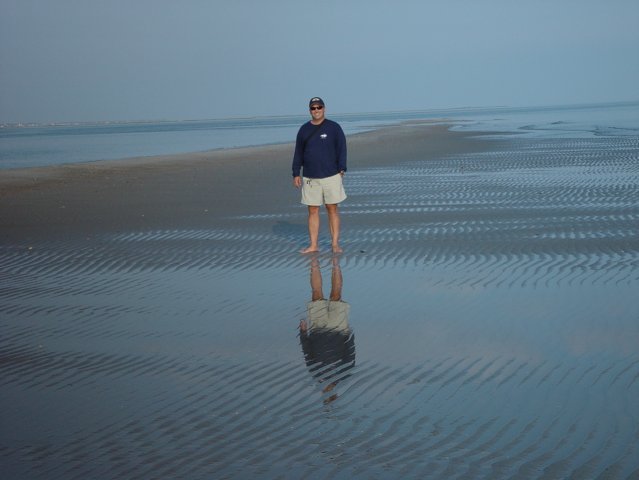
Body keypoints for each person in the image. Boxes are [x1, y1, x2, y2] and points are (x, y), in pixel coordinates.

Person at [292, 97, 347, 254]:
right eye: (313, 108)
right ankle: (313, 245)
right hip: (310, 176)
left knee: (332, 208)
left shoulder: (334, 127)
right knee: (313, 210)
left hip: (332, 175)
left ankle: (335, 244)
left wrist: (342, 168)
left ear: (324, 109)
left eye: (319, 107)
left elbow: (342, 148)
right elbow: (298, 153)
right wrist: (296, 173)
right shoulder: (304, 130)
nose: (316, 110)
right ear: (310, 110)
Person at [299, 254, 355, 404]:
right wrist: (350, 335)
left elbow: (308, 353)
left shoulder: (316, 375)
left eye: (325, 394)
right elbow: (350, 354)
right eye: (330, 394)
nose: (326, 391)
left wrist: (303, 332)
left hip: (317, 329)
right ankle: (335, 264)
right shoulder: (344, 374)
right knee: (336, 294)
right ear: (334, 394)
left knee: (316, 293)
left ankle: (314, 264)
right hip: (338, 330)